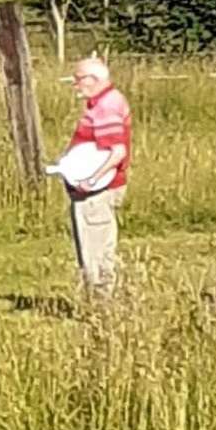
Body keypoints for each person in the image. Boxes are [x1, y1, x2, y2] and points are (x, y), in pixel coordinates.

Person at [63, 57, 132, 295]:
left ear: (94, 80)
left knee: (95, 250)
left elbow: (117, 151)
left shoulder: (105, 108)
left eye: (79, 79)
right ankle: (102, 299)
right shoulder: (106, 102)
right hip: (98, 189)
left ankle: (101, 304)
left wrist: (91, 179)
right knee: (98, 246)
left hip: (96, 192)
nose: (75, 84)